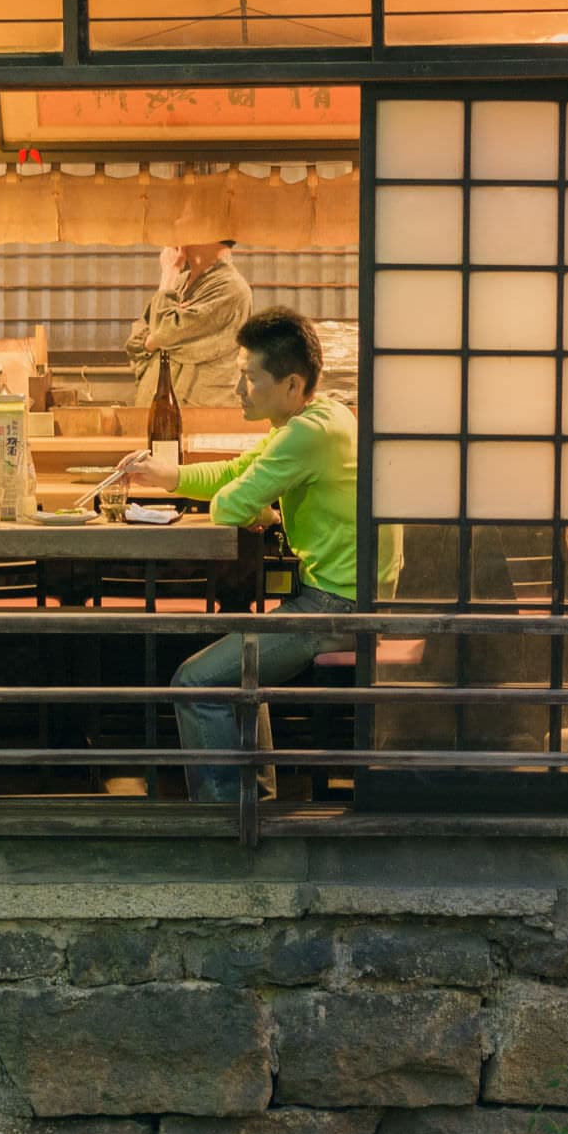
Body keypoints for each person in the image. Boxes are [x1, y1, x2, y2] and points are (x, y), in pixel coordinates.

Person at [118, 306, 388, 803]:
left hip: (338, 607)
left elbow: (231, 503)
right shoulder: (320, 415)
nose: (239, 388)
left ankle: (228, 819)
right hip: (344, 596)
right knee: (235, 672)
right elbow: (240, 472)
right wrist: (169, 475)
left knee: (197, 683)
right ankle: (252, 805)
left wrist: (256, 504)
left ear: (290, 384)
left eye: (248, 378)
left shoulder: (308, 432)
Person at [125, 239, 250, 409]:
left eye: (185, 226)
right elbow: (135, 342)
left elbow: (163, 332)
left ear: (210, 233)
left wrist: (169, 272)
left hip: (198, 414)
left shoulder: (231, 288)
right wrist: (153, 340)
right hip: (156, 407)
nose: (174, 236)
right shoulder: (179, 282)